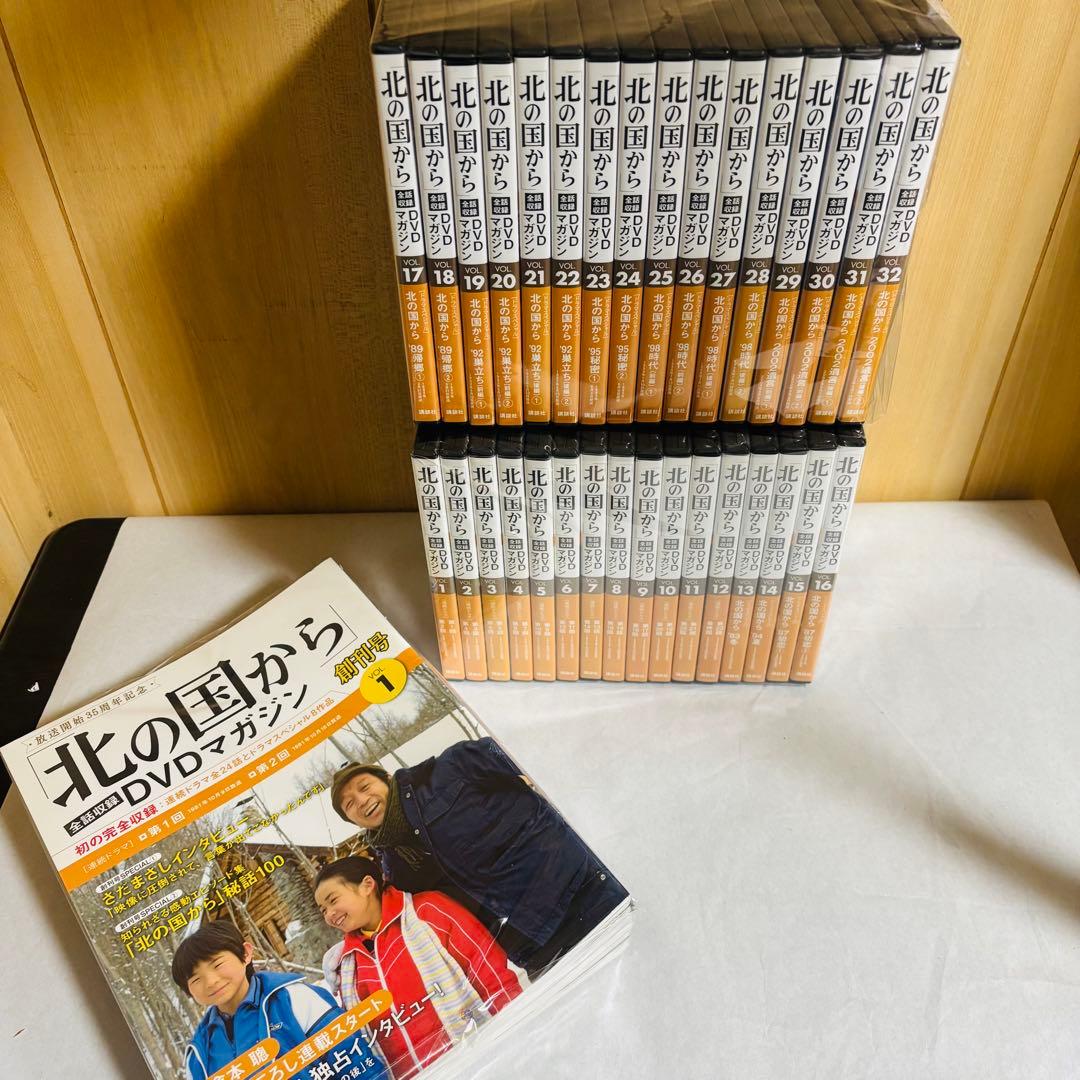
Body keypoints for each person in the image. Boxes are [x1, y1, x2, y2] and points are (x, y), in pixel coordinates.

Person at [329, 737, 628, 977]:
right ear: (352, 821)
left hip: (584, 894)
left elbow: (528, 752)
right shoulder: (395, 869)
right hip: (534, 949)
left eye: (365, 787)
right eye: (350, 804)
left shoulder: (449, 769)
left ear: (386, 779)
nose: (362, 801)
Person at [315, 856, 522, 1079]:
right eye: (323, 910)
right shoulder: (347, 966)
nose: (329, 914)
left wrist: (517, 1029)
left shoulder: (427, 912)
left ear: (367, 885)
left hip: (483, 1062)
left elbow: (490, 972)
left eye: (333, 900)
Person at [172, 919, 387, 1080]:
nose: (210, 982)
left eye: (217, 964)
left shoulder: (295, 999)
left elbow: (356, 1061)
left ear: (245, 954)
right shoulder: (199, 1052)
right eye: (196, 979)